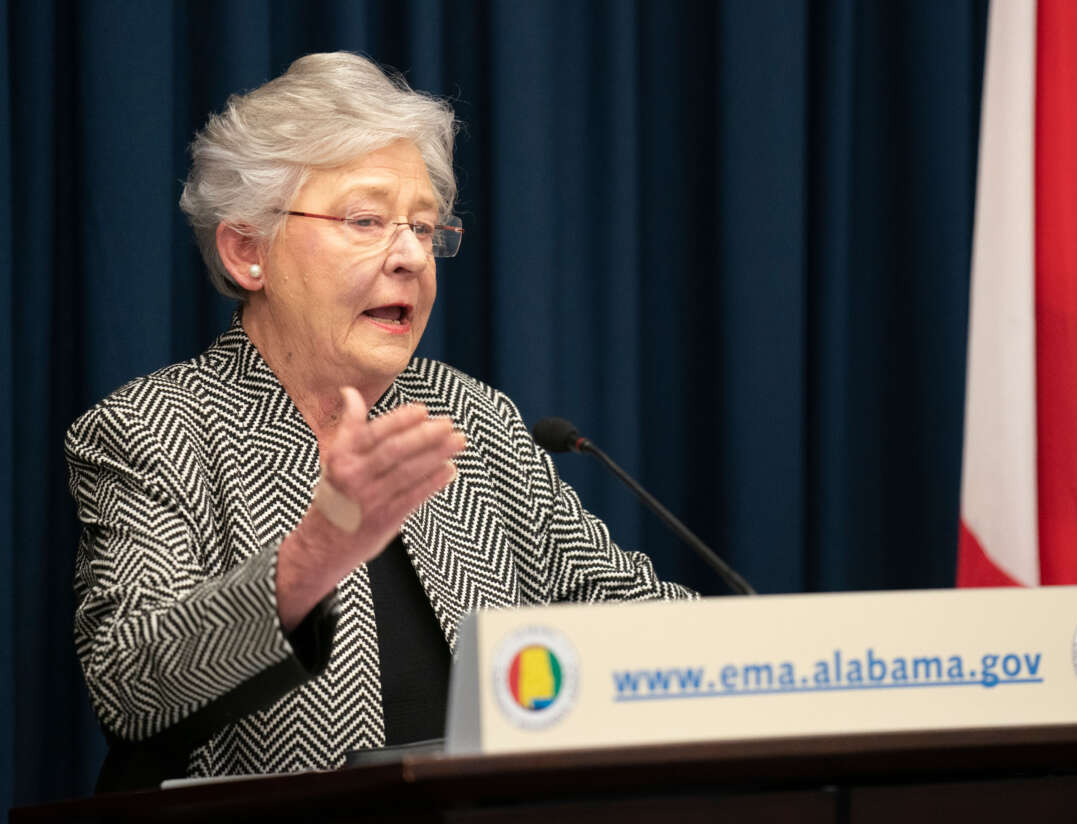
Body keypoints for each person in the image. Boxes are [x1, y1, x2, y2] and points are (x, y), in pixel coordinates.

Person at [65, 51, 692, 791]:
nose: (411, 258)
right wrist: (317, 552)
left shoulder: (474, 419)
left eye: (425, 229)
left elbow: (641, 623)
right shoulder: (153, 429)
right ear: (246, 251)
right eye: (366, 220)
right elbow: (132, 682)